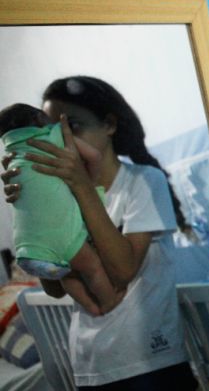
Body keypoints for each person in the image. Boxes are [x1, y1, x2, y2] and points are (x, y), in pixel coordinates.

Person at [1, 76, 197, 390]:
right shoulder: (60, 195)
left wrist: (81, 186)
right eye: (49, 128)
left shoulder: (143, 182)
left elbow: (122, 271)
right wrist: (30, 208)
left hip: (149, 361)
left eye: (72, 126)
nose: (61, 138)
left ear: (108, 125)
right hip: (89, 362)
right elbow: (54, 288)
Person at [0, 103, 121, 316]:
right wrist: (89, 181)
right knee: (91, 267)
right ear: (40, 120)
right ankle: (109, 302)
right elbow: (94, 157)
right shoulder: (54, 136)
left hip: (27, 250)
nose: (59, 123)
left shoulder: (12, 154)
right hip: (64, 246)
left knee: (68, 275)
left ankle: (93, 308)